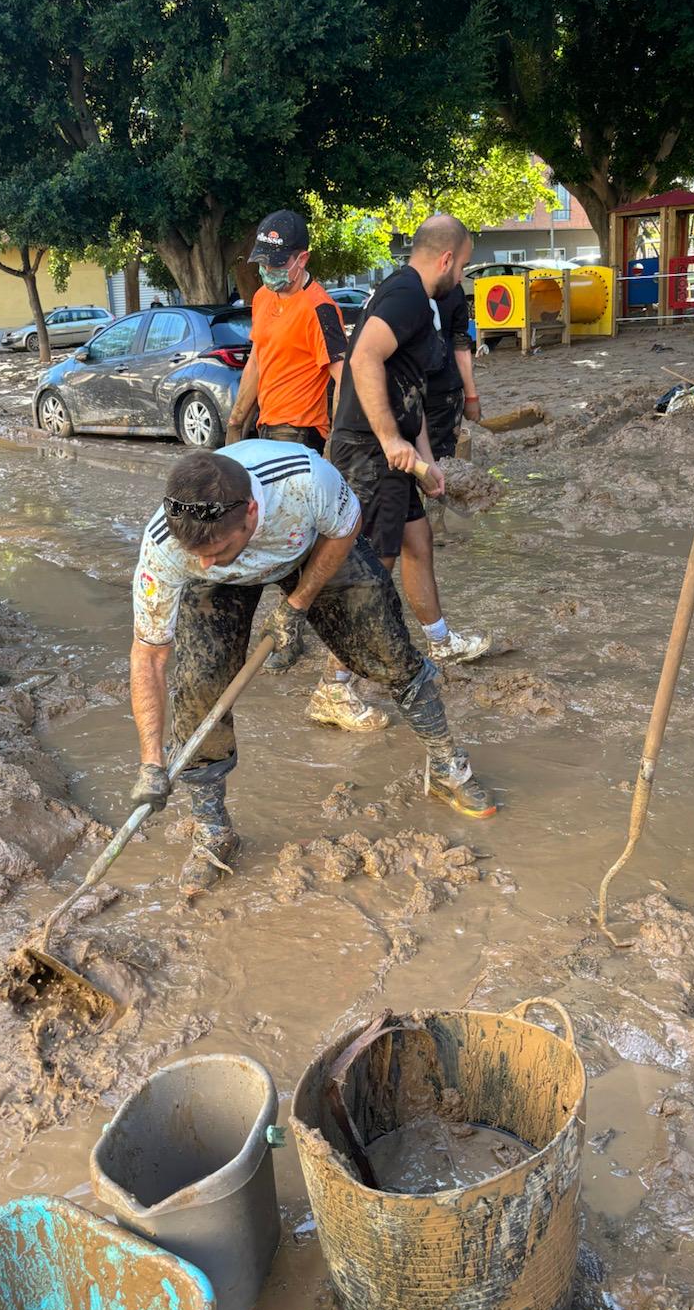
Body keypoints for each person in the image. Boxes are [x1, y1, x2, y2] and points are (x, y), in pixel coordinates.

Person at [130, 444, 496, 895]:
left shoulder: (305, 481)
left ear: (250, 511)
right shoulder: (166, 547)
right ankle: (213, 832)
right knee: (198, 687)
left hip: (309, 548)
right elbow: (149, 655)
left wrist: (296, 604)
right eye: (196, 552)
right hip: (219, 588)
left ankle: (447, 768)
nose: (203, 560)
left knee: (386, 649)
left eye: (217, 547)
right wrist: (151, 761)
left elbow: (347, 528)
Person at [226, 208, 386, 732]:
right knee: (265, 536)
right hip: (265, 430)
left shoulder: (320, 309)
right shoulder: (262, 299)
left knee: (296, 541)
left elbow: (343, 380)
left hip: (302, 437)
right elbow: (257, 360)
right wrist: (235, 421)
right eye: (263, 262)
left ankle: (297, 631)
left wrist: (344, 448)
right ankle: (290, 627)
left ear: (302, 259)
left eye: (278, 263)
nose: (269, 271)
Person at [330, 215, 489, 664]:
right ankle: (334, 684)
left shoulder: (417, 298)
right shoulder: (407, 297)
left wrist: (424, 459)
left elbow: (409, 388)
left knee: (417, 544)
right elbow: (362, 358)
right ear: (445, 259)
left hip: (397, 453)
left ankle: (440, 643)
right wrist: (389, 440)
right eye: (462, 267)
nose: (461, 277)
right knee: (372, 569)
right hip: (370, 452)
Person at [424, 280, 481, 463]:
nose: (461, 276)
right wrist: (471, 396)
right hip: (441, 391)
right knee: (440, 461)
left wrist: (471, 397)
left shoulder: (397, 287)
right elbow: (460, 344)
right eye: (461, 267)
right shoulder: (452, 289)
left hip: (415, 390)